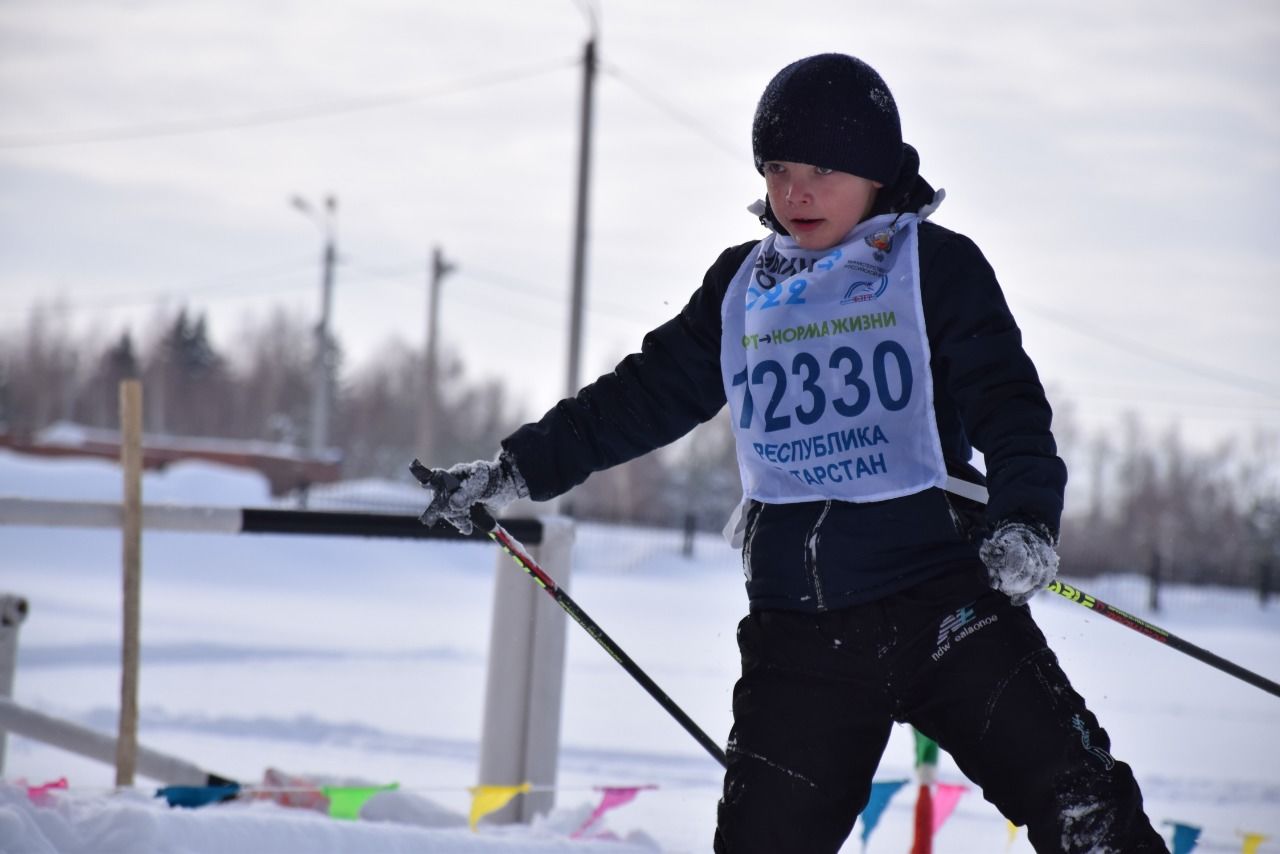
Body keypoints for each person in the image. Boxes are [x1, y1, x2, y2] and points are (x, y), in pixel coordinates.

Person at [417, 53, 1168, 853]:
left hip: (946, 604)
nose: (795, 191)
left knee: (1087, 814)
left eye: (821, 168)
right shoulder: (745, 285)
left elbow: (1009, 406)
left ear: (877, 173)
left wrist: (1025, 519)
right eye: (777, 168)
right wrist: (513, 470)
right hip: (803, 635)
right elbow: (641, 396)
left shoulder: (935, 268)